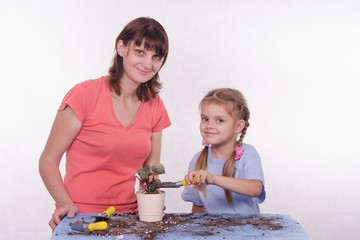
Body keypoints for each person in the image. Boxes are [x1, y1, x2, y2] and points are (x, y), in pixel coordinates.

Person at [39, 17, 171, 230]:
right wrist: (65, 204)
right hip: (79, 215)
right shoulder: (85, 94)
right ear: (121, 47)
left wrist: (151, 200)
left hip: (130, 217)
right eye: (140, 52)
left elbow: (149, 170)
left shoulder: (155, 104)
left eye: (156, 56)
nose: (148, 64)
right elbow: (47, 160)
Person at [181, 88, 265, 213]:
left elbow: (255, 189)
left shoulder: (248, 154)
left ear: (238, 126)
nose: (209, 125)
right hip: (214, 232)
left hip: (247, 231)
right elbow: (198, 206)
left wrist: (213, 179)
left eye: (219, 120)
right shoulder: (197, 161)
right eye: (205, 119)